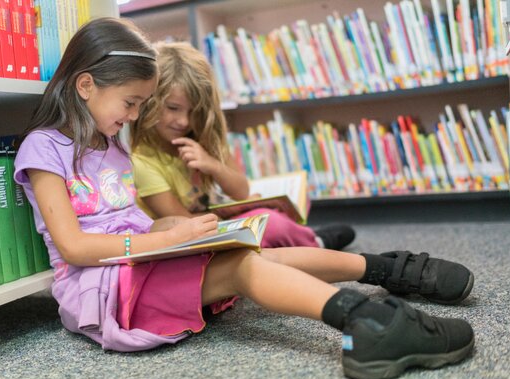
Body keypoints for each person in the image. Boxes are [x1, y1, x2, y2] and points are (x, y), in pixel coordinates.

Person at [14, 17, 475, 379]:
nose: (135, 115)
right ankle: (366, 323)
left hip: (138, 264)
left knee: (244, 246)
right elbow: (75, 247)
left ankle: (383, 269)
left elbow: (131, 223)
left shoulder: (110, 145)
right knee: (242, 268)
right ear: (86, 85)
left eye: (142, 104)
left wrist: (172, 230)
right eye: (131, 103)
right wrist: (158, 242)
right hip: (103, 291)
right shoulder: (43, 148)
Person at [130, 42, 354, 251]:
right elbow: (183, 226)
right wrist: (233, 212)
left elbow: (242, 191)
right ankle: (312, 243)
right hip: (193, 237)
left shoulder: (200, 136)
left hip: (218, 220)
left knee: (278, 209)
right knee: (270, 222)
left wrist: (213, 166)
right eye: (173, 108)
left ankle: (296, 244)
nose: (185, 122)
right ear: (150, 100)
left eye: (194, 111)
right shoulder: (141, 160)